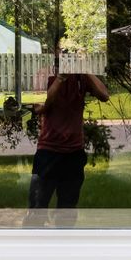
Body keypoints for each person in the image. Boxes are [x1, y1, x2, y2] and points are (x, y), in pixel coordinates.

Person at [25, 71, 109, 227]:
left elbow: (104, 95)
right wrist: (60, 79)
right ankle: (33, 240)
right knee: (37, 208)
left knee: (67, 210)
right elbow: (40, 107)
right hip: (48, 151)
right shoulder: (44, 74)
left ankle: (63, 240)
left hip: (74, 152)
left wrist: (86, 70)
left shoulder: (81, 76)